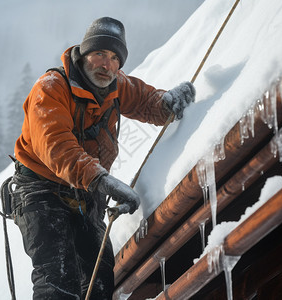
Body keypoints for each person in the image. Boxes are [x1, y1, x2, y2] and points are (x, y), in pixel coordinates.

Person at [10, 16, 195, 299]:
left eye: (113, 58)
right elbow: (55, 145)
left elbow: (146, 102)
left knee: (98, 282)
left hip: (87, 192)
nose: (106, 64)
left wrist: (167, 104)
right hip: (41, 191)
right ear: (84, 54)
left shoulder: (116, 85)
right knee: (58, 282)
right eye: (99, 54)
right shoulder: (50, 88)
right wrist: (101, 180)